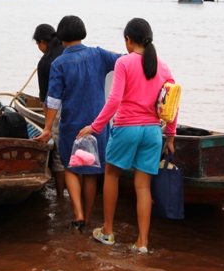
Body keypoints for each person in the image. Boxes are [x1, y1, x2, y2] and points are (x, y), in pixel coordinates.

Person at [77, 18, 178, 254]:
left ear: (129, 41)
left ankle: (108, 231)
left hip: (126, 128)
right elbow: (172, 102)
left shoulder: (124, 63)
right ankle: (142, 242)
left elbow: (114, 100)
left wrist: (96, 126)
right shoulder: (163, 66)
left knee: (111, 175)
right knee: (143, 187)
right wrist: (171, 135)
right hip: (153, 132)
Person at [34, 16, 119, 232]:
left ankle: (77, 213)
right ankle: (88, 219)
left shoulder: (59, 63)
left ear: (61, 37)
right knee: (90, 170)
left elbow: (53, 100)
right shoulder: (99, 54)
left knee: (71, 167)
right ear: (82, 32)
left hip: (72, 124)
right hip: (97, 124)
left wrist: (47, 129)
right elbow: (124, 62)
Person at [32, 23, 66, 197]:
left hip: (59, 112)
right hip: (78, 108)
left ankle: (60, 195)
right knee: (79, 152)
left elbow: (46, 100)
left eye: (38, 44)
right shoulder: (68, 50)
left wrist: (48, 127)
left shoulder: (45, 62)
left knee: (59, 157)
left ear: (42, 41)